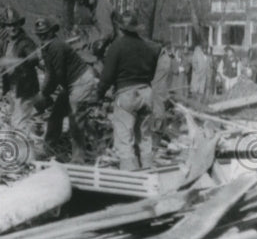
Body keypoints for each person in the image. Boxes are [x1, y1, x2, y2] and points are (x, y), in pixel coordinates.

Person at [97, 11, 160, 171]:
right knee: (144, 136)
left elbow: (107, 76)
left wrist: (98, 95)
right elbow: (151, 73)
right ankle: (148, 169)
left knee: (124, 138)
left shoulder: (117, 46)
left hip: (126, 93)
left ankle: (130, 174)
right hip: (146, 92)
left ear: (120, 28)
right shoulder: (148, 47)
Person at [33, 17, 99, 163]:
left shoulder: (56, 46)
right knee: (56, 114)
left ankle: (78, 159)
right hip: (70, 84)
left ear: (52, 32)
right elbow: (50, 73)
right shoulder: (46, 48)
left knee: (75, 120)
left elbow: (56, 76)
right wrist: (43, 93)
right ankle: (48, 148)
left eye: (45, 33)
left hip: (81, 81)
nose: (42, 37)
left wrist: (43, 94)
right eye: (40, 34)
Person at [0, 7, 40, 132]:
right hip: (11, 88)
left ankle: (26, 150)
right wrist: (7, 61)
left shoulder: (26, 42)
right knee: (12, 122)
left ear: (19, 24)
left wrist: (22, 61)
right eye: (9, 25)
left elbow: (34, 58)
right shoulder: (4, 43)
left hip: (25, 89)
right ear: (5, 27)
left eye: (14, 25)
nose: (12, 28)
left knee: (19, 124)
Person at [151, 41, 175, 144]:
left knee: (158, 112)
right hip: (162, 88)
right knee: (160, 111)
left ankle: (157, 136)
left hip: (157, 88)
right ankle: (158, 132)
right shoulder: (167, 58)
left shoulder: (162, 59)